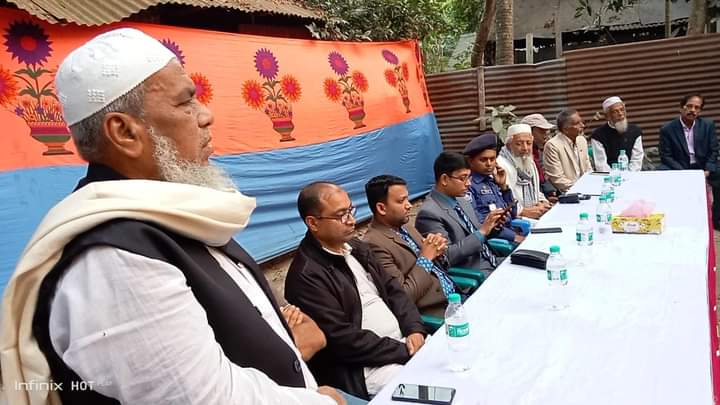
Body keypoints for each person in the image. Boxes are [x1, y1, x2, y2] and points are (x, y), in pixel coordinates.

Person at [0, 28, 349, 405]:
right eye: (186, 102)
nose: (206, 115)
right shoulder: (114, 259)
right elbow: (206, 398)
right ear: (125, 132)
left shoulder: (170, 215)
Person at [285, 182, 427, 399]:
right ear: (313, 223)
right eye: (341, 215)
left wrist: (414, 329)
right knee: (432, 386)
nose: (351, 220)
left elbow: (394, 291)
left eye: (351, 210)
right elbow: (343, 341)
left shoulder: (356, 248)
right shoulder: (306, 276)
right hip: (365, 369)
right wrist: (404, 350)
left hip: (402, 343)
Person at [363, 175, 454, 317]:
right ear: (381, 208)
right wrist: (426, 258)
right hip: (436, 312)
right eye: (401, 201)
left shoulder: (405, 226)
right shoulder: (373, 243)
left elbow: (436, 266)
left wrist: (438, 251)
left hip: (454, 297)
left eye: (407, 198)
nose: (409, 205)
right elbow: (403, 296)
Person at [415, 152, 505, 274]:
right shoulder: (428, 213)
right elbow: (447, 257)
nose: (468, 183)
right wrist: (482, 231)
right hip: (473, 273)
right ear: (444, 179)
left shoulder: (462, 200)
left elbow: (476, 233)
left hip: (492, 260)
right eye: (463, 178)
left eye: (469, 178)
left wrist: (493, 226)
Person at [659, 94, 720, 229]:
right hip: (680, 165)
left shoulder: (707, 125)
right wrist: (684, 173)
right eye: (689, 106)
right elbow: (666, 156)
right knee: (661, 173)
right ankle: (672, 218)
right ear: (681, 108)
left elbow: (714, 150)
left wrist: (708, 170)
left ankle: (717, 220)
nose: (693, 110)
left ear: (700, 111)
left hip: (703, 165)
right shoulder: (667, 129)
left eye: (697, 107)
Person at [464, 132, 525, 245]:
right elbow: (479, 223)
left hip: (512, 231)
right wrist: (513, 236)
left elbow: (513, 213)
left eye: (492, 159)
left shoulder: (492, 182)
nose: (489, 164)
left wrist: (503, 187)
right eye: (483, 160)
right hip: (497, 240)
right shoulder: (468, 186)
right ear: (471, 162)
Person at [496, 124, 552, 219]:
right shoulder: (501, 164)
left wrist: (543, 202)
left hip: (535, 211)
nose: (525, 148)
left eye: (529, 143)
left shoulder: (529, 160)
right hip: (516, 216)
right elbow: (505, 196)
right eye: (519, 144)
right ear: (509, 145)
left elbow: (535, 189)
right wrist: (523, 211)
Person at [543, 109, 593, 193]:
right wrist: (580, 189)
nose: (582, 125)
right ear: (565, 129)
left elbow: (588, 169)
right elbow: (557, 178)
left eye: (581, 122)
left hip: (586, 189)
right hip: (566, 193)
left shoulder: (581, 140)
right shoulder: (552, 145)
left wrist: (592, 184)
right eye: (577, 123)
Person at [591, 96, 644, 172]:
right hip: (609, 175)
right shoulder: (597, 135)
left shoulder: (635, 131)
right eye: (615, 111)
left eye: (622, 110)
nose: (620, 114)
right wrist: (614, 176)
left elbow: (637, 159)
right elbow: (601, 164)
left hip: (631, 174)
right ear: (607, 116)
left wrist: (629, 175)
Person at [520, 113, 558, 199]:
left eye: (546, 131)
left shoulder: (538, 152)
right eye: (541, 131)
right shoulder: (520, 157)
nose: (545, 135)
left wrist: (550, 193)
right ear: (529, 133)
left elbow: (542, 177)